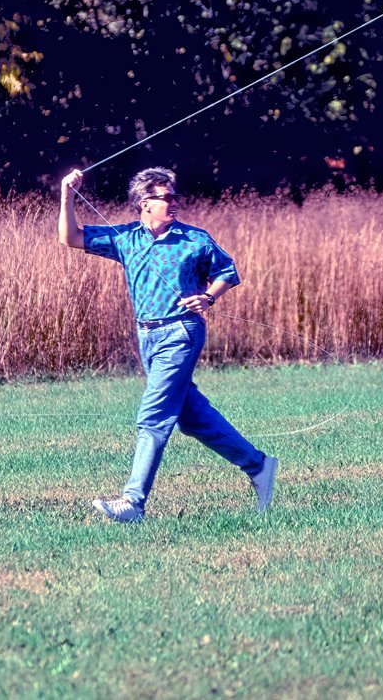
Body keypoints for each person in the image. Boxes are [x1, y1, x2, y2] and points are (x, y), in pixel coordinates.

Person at [58, 166, 277, 522]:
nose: (173, 202)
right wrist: (67, 195)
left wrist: (208, 297)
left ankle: (133, 502)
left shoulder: (194, 239)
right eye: (165, 197)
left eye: (174, 196)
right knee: (191, 417)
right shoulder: (125, 238)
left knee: (154, 415)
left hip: (182, 333)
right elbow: (71, 237)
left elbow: (227, 271)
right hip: (148, 336)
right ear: (145, 203)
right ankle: (258, 465)